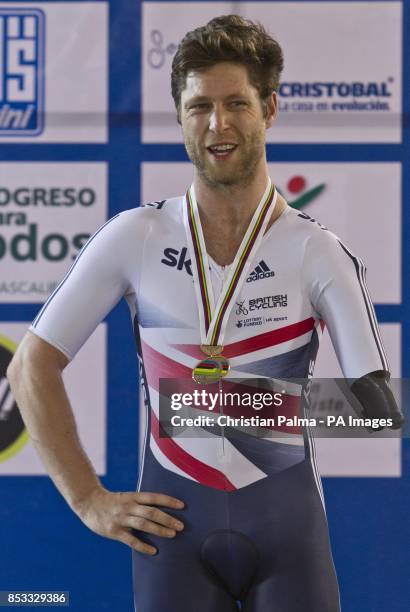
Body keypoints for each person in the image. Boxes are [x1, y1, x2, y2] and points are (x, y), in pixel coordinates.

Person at [7, 14, 403, 612]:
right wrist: (87, 497)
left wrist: (217, 401)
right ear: (180, 117)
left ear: (269, 109)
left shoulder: (315, 250)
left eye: (236, 103)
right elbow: (29, 367)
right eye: (199, 107)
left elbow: (377, 410)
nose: (218, 124)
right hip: (174, 537)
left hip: (288, 533)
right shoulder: (134, 236)